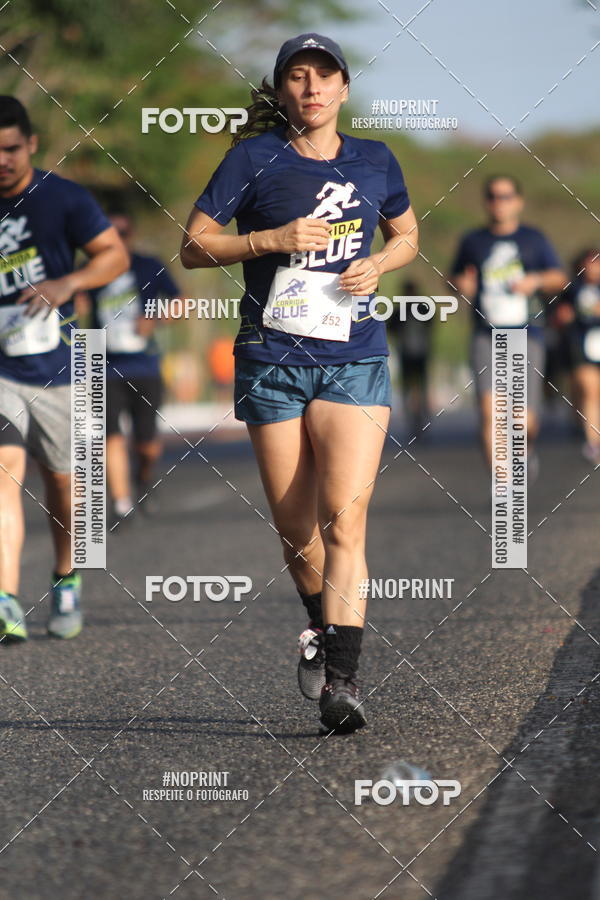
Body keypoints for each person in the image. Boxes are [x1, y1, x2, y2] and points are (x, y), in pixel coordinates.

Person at [180, 34, 418, 734]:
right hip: (271, 359)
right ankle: (321, 621)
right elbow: (192, 246)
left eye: (324, 75)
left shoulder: (376, 159)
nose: (312, 88)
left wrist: (380, 264)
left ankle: (343, 682)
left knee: (346, 519)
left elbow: (408, 235)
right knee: (295, 528)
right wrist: (270, 240)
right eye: (297, 76)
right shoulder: (253, 159)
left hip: (353, 357)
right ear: (282, 90)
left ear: (344, 87)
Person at [0, 97, 128, 641]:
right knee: (4, 475)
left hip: (66, 366)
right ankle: (6, 600)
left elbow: (114, 256)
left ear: (30, 144)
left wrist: (67, 283)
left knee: (65, 488)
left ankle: (66, 576)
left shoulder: (65, 198)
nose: (2, 160)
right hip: (2, 369)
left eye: (11, 148)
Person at [450, 175, 567, 475]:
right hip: (485, 334)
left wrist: (536, 280)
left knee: (523, 420)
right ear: (485, 201)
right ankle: (503, 483)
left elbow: (559, 278)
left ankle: (526, 452)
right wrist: (460, 284)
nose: (498, 202)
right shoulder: (473, 241)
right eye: (492, 196)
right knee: (491, 412)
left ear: (518, 201)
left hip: (527, 334)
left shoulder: (534, 239)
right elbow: (453, 278)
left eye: (505, 196)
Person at [89, 212, 179, 526]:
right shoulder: (90, 269)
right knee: (110, 436)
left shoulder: (148, 265)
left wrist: (156, 318)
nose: (117, 239)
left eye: (123, 233)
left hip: (145, 365)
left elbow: (180, 301)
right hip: (104, 366)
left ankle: (144, 479)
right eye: (110, 233)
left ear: (131, 235)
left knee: (147, 444)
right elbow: (74, 304)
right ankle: (121, 504)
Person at [560, 248, 600, 461]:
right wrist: (565, 317)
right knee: (589, 390)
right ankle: (593, 442)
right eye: (590, 263)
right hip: (580, 346)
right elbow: (559, 314)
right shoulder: (573, 288)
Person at [386, 278, 432, 433]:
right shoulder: (401, 311)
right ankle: (413, 419)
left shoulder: (423, 308)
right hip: (406, 354)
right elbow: (390, 328)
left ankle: (421, 418)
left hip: (420, 354)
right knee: (408, 388)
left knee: (421, 387)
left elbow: (431, 325)